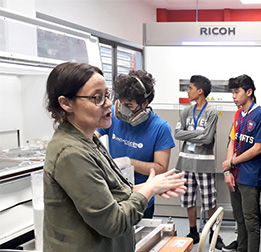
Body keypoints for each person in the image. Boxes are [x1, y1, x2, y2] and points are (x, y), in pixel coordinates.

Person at [43, 62, 186, 252]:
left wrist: (149, 187)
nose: (109, 104)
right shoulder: (71, 153)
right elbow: (113, 222)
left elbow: (113, 193)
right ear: (66, 103)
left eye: (107, 95)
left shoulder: (89, 140)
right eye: (97, 98)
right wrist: (147, 190)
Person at [96, 70, 175, 218]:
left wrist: (128, 162)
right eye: (121, 103)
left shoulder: (160, 128)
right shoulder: (113, 114)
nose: (122, 109)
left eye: (129, 105)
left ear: (144, 103)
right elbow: (91, 136)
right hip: (114, 195)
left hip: (142, 197)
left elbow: (160, 168)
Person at [173, 75, 224, 249]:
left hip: (204, 164)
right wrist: (198, 133)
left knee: (209, 202)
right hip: (186, 163)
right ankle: (193, 231)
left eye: (190, 88)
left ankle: (213, 233)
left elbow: (208, 138)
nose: (188, 91)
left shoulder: (211, 112)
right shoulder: (186, 111)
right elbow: (177, 134)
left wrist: (192, 133)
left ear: (200, 91)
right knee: (188, 200)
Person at [222, 74, 261, 252]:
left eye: (237, 92)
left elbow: (258, 148)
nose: (233, 96)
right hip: (234, 174)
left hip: (249, 176)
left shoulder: (260, 114)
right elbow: (232, 141)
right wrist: (228, 169)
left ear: (249, 92)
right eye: (232, 93)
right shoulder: (238, 114)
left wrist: (232, 162)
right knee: (239, 218)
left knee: (251, 221)